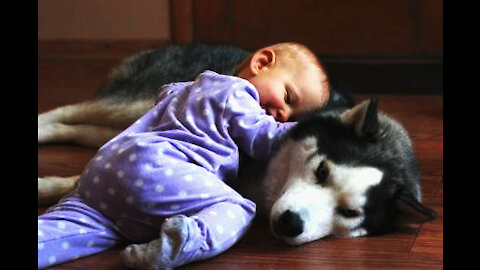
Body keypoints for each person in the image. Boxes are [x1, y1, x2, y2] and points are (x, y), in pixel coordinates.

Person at [37, 42, 330, 269]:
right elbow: (265, 138)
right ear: (262, 63)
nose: (283, 114)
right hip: (157, 169)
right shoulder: (236, 94)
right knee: (238, 207)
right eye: (288, 98)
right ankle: (187, 240)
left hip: (105, 173)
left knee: (62, 232)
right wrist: (309, 127)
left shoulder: (185, 88)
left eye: (293, 113)